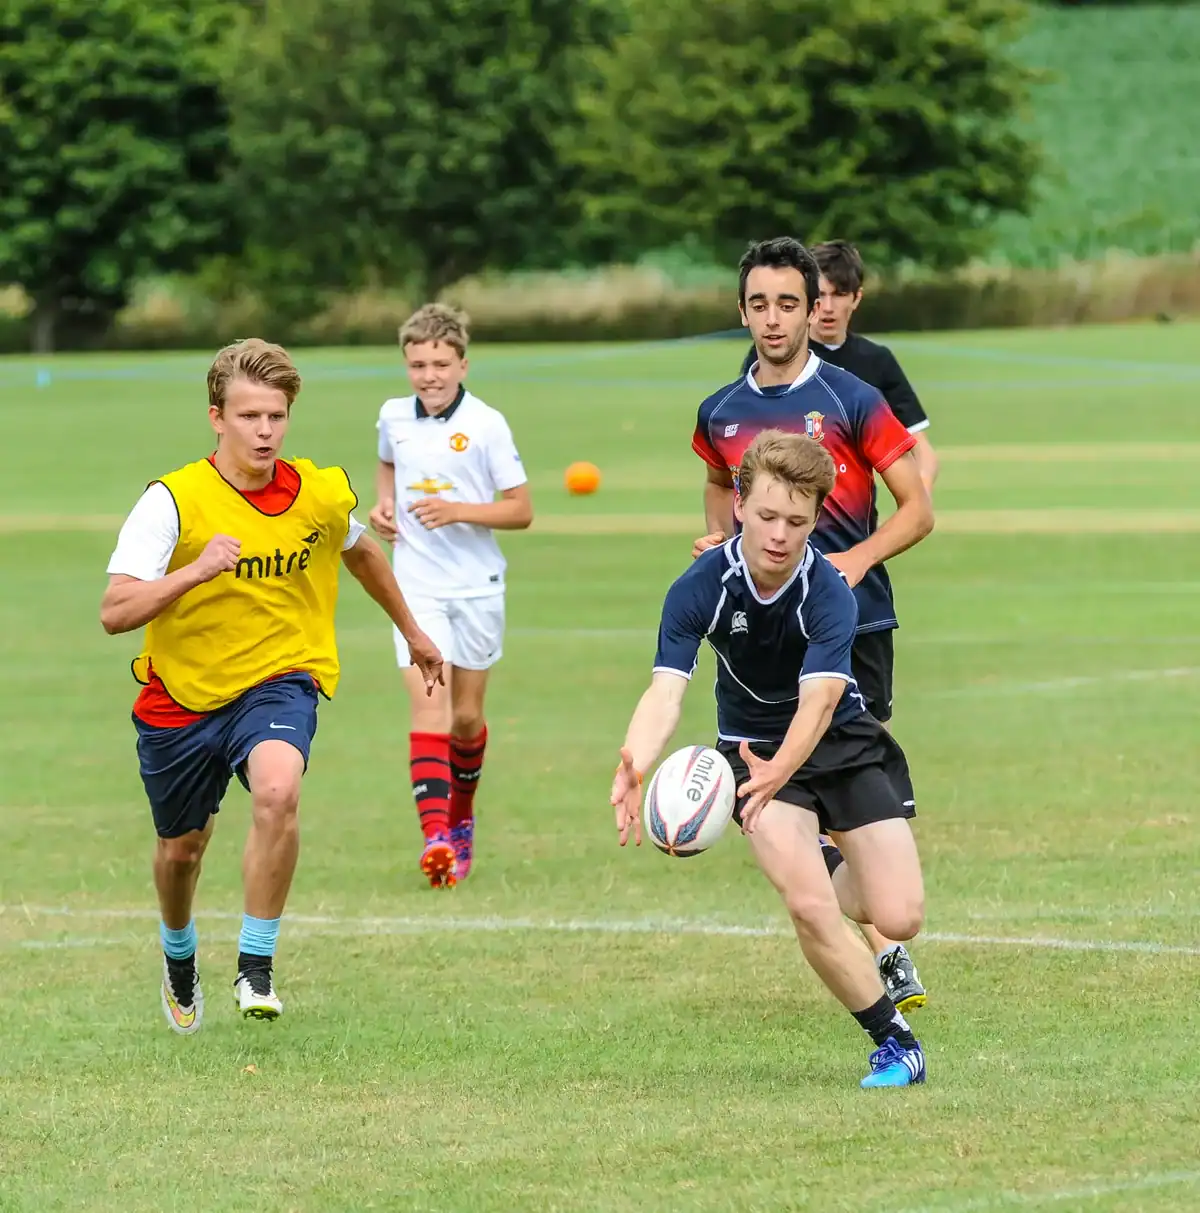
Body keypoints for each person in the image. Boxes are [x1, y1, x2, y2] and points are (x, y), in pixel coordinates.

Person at [101, 338, 443, 1035]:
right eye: (250, 415)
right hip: (182, 697)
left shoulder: (314, 492)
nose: (265, 430)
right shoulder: (172, 501)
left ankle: (255, 964)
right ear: (216, 417)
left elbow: (362, 550)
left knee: (279, 790)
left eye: (277, 416)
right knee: (181, 852)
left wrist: (412, 629)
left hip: (280, 678)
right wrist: (194, 572)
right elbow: (115, 611)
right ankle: (178, 951)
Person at [612, 430, 927, 1089]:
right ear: (738, 506)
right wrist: (636, 760)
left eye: (796, 521)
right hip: (753, 757)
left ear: (815, 519)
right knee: (809, 904)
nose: (780, 534)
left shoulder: (830, 590)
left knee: (898, 915)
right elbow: (667, 690)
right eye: (766, 516)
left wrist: (785, 765)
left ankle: (831, 854)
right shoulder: (701, 586)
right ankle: (894, 1043)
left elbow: (817, 703)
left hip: (841, 745)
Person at [692, 237, 935, 1013]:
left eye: (789, 303)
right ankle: (878, 954)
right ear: (742, 311)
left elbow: (918, 509)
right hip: (766, 643)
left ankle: (882, 926)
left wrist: (856, 559)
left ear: (814, 307)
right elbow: (716, 483)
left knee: (846, 782)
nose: (773, 318)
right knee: (795, 781)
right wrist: (719, 551)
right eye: (759, 304)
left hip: (853, 627)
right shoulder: (722, 410)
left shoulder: (853, 396)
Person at [369, 304, 533, 889]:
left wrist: (456, 510)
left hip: (478, 586)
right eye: (417, 364)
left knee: (465, 720)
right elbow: (388, 464)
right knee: (428, 709)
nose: (429, 375)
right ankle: (436, 838)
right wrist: (383, 506)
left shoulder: (487, 425)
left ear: (462, 364)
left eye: (440, 364)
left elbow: (521, 509)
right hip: (415, 588)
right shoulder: (393, 416)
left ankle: (461, 819)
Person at [738, 240, 939, 496]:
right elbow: (744, 444)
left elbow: (921, 450)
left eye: (840, 294)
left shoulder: (876, 361)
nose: (829, 308)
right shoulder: (773, 354)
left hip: (852, 521)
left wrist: (919, 498)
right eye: (821, 295)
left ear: (857, 298)